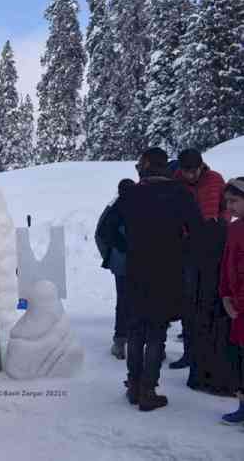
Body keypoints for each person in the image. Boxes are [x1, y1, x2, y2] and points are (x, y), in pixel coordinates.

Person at [100, 147, 202, 411]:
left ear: (145, 166)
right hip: (167, 271)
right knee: (156, 331)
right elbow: (198, 231)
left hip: (136, 268)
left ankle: (134, 385)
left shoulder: (131, 194)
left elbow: (107, 230)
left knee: (135, 329)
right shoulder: (181, 194)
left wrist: (128, 246)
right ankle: (148, 390)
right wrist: (181, 251)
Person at [171, 149, 235, 394]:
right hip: (186, 247)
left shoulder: (216, 179)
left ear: (201, 167)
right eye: (185, 171)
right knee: (189, 302)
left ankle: (209, 360)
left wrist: (222, 222)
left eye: (192, 170)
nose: (189, 175)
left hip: (213, 244)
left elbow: (225, 206)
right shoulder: (175, 182)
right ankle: (190, 353)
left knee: (210, 302)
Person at [96, 178, 135, 359]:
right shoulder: (144, 205)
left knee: (123, 301)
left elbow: (100, 234)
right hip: (144, 262)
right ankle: (151, 343)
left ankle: (120, 342)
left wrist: (110, 256)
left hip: (121, 263)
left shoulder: (113, 207)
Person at [219, 178, 244, 424]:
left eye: (234, 201)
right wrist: (225, 295)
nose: (230, 206)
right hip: (237, 308)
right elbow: (228, 265)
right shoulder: (235, 228)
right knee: (240, 359)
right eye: (227, 201)